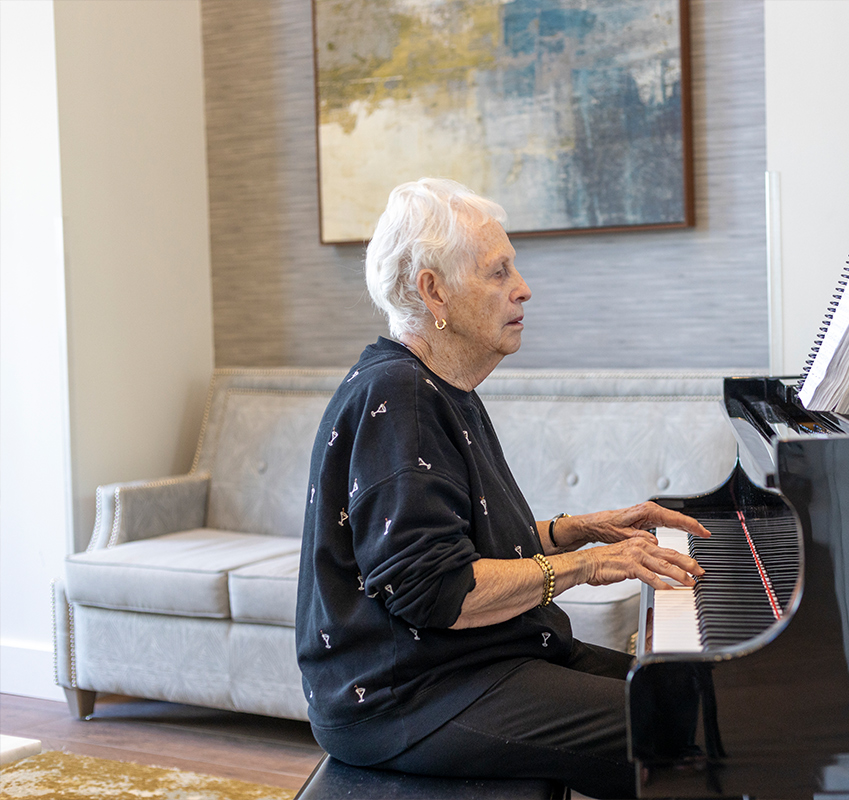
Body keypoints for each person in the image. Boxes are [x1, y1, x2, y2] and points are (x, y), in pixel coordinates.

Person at [296, 178, 710, 799]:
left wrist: (575, 530)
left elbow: (458, 543)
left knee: (709, 701)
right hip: (409, 694)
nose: (523, 288)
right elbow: (440, 592)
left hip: (482, 658)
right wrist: (585, 565)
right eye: (497, 273)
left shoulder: (439, 388)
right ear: (432, 290)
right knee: (695, 735)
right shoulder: (400, 395)